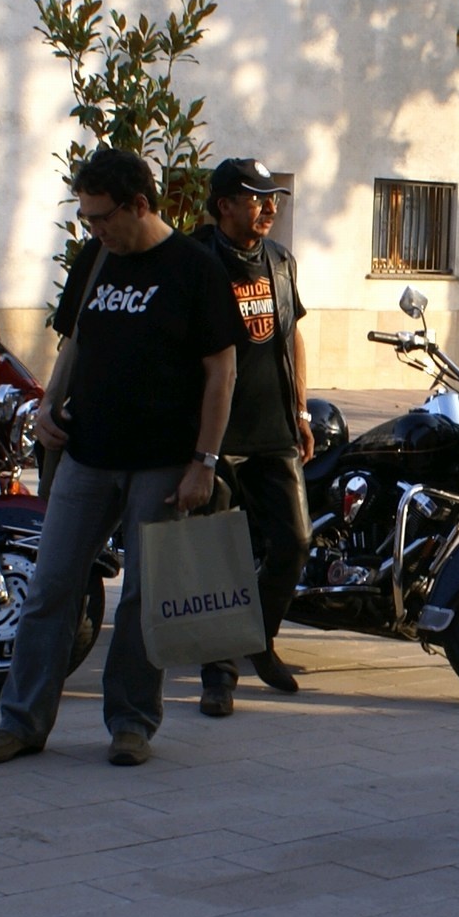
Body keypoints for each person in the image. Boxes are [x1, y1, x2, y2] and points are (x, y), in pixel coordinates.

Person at [0, 147, 242, 768]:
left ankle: (131, 722)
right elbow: (76, 342)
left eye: (101, 217)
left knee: (143, 597)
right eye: (86, 217)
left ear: (139, 205)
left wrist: (204, 461)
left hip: (163, 461)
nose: (93, 229)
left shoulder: (195, 269)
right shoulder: (96, 259)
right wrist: (47, 406)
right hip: (88, 453)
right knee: (50, 587)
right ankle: (21, 722)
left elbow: (221, 373)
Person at [191, 158, 308, 716]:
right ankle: (218, 675)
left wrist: (301, 410)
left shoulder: (280, 261)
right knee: (218, 559)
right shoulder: (195, 260)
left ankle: (258, 637)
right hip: (213, 436)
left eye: (273, 198)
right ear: (224, 206)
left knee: (295, 542)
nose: (269, 207)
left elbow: (292, 336)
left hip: (274, 431)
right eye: (256, 198)